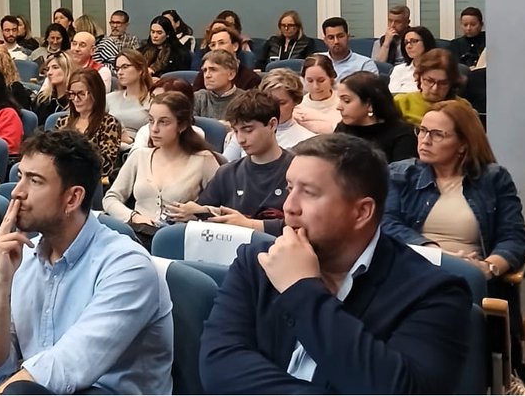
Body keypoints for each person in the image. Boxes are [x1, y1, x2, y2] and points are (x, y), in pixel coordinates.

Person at [200, 134, 472, 394]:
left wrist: (301, 289)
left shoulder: (433, 294)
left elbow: (399, 389)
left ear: (361, 212)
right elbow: (219, 367)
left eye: (309, 193)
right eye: (290, 188)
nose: (289, 207)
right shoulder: (258, 261)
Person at [0, 130, 173, 395]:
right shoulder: (24, 257)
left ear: (72, 198)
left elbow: (67, 368)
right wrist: (1, 283)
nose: (17, 193)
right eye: (20, 177)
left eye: (35, 181)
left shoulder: (127, 267)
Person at [382, 100, 525, 378]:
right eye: (422, 131)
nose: (425, 140)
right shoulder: (401, 173)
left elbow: (514, 238)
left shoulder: (493, 179)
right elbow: (388, 226)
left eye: (437, 134)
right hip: (414, 267)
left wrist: (489, 267)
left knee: (465, 289)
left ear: (463, 143)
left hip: (476, 276)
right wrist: (439, 254)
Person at [171, 90, 293, 234]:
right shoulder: (228, 173)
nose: (240, 139)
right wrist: (199, 212)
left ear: (272, 125)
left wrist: (249, 224)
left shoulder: (297, 170)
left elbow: (307, 225)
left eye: (248, 130)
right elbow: (203, 212)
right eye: (236, 131)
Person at [105, 92, 218, 246]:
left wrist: (199, 211)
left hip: (177, 241)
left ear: (182, 125)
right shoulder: (140, 155)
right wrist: (133, 216)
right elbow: (111, 198)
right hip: (136, 236)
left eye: (164, 122)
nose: (154, 129)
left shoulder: (203, 160)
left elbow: (224, 209)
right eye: (151, 121)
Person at [222, 70, 317, 161]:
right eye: (268, 102)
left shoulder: (308, 140)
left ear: (296, 101)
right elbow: (225, 164)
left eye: (281, 103)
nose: (274, 108)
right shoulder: (243, 130)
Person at [334, 72, 416, 162]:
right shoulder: (343, 128)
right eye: (340, 100)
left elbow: (402, 173)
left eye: (346, 101)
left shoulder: (403, 134)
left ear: (369, 104)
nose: (339, 107)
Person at [56, 70, 122, 182]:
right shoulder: (63, 122)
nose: (75, 100)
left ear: (95, 93)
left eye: (82, 94)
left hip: (90, 182)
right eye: (72, 94)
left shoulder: (109, 123)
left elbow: (106, 165)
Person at [393, 48, 469, 126]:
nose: (434, 88)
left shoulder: (462, 107)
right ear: (419, 77)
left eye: (443, 83)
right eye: (429, 81)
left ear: (452, 83)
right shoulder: (401, 102)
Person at [191, 26, 261, 91]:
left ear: (235, 46)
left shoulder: (251, 79)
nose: (216, 48)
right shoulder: (204, 74)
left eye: (221, 43)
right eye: (213, 45)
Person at [106, 49, 153, 146]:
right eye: (117, 68)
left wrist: (130, 141)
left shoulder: (153, 100)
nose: (119, 72)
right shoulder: (109, 98)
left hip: (140, 149)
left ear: (140, 70)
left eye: (125, 67)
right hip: (110, 147)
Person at [294, 55, 342, 134]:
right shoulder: (297, 107)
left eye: (321, 80)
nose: (316, 87)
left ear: (331, 77)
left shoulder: (344, 103)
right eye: (310, 81)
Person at [193, 50, 241, 119]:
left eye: (213, 70)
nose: (207, 75)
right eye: (205, 70)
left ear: (231, 74)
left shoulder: (245, 101)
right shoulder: (197, 98)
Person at [388, 26, 437, 94]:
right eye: (406, 43)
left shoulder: (438, 69)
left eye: (413, 41)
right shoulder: (399, 69)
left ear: (426, 42)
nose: (408, 46)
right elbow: (393, 95)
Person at [30, 52, 72, 125]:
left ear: (67, 70)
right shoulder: (42, 99)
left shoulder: (74, 101)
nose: (49, 73)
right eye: (48, 69)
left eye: (55, 67)